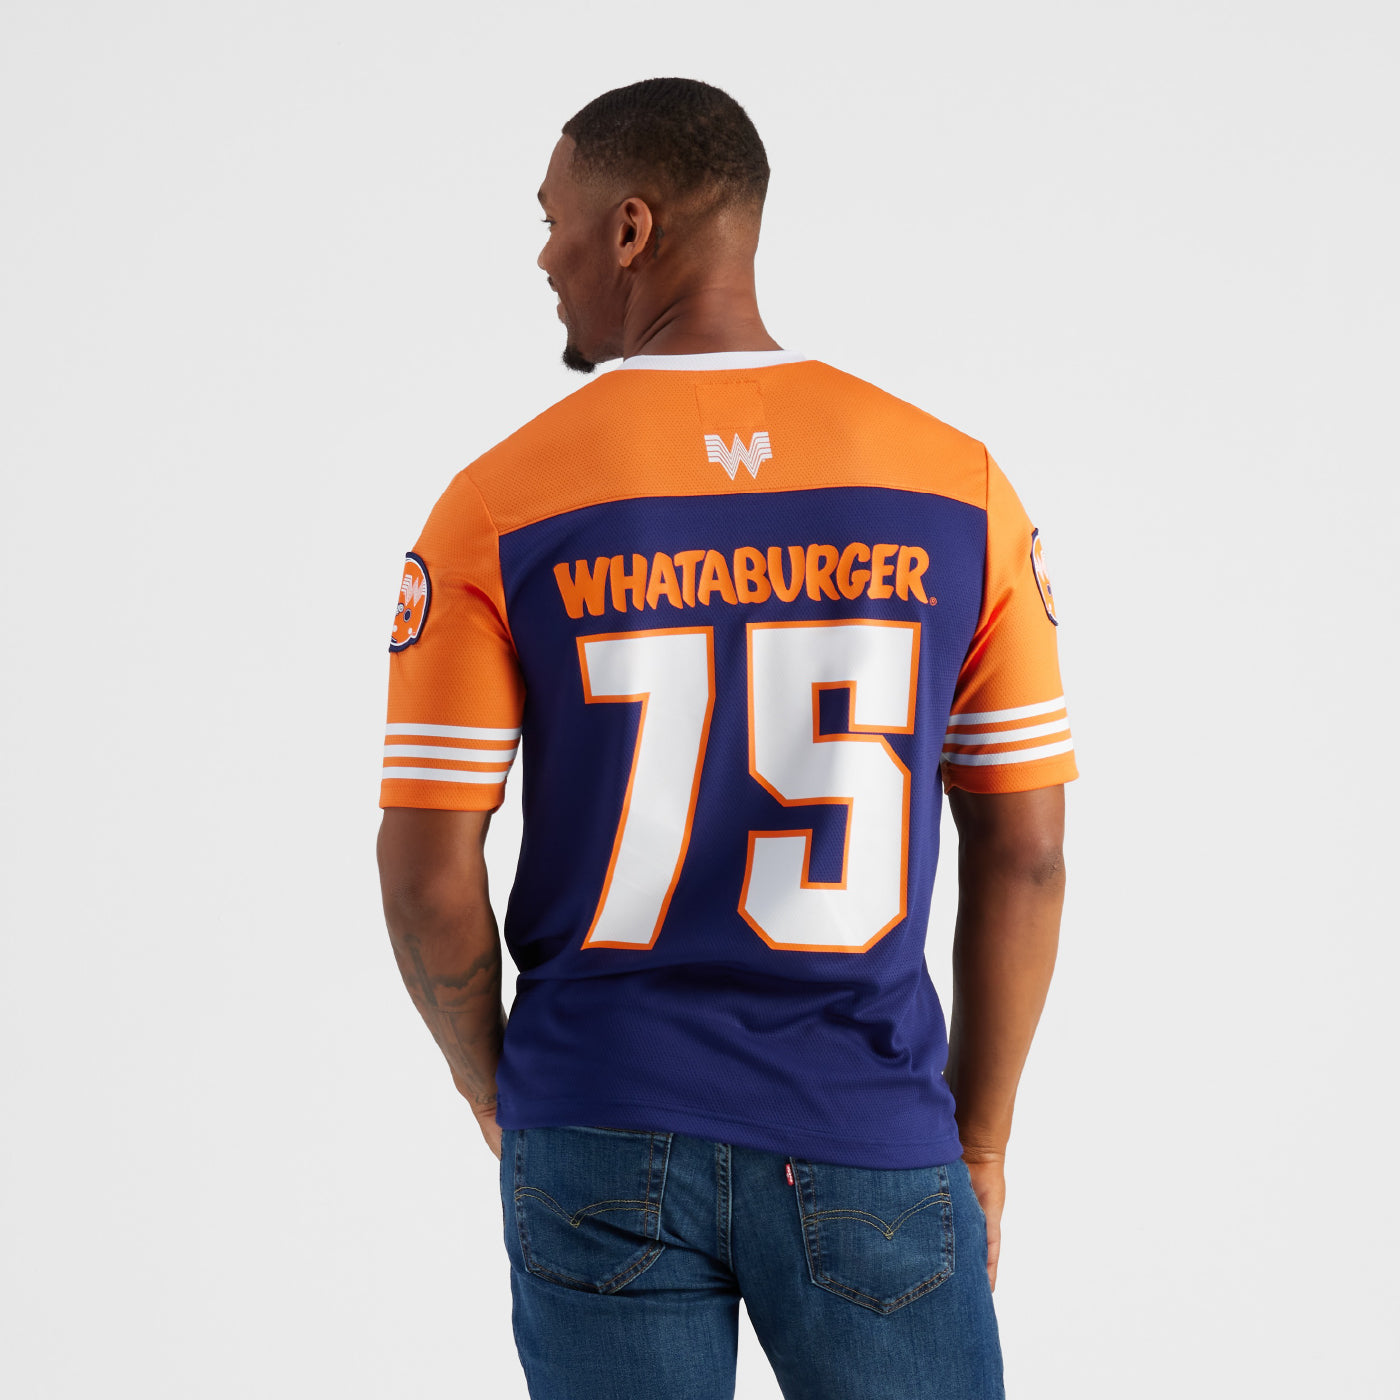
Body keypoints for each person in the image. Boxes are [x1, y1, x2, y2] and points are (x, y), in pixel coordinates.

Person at [376, 76, 1074, 1400]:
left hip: (598, 1109)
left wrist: (495, 1086)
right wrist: (978, 1139)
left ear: (631, 230)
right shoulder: (957, 487)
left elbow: (423, 872)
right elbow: (1026, 852)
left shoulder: (498, 503)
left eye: (553, 220)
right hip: (869, 1123)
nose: (544, 257)